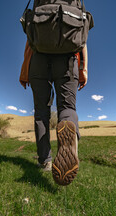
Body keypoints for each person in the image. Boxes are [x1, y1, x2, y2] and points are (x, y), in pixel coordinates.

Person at [19, 1, 89, 186]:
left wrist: (24, 70)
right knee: (67, 107)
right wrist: (84, 69)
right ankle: (69, 132)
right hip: (68, 60)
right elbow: (82, 40)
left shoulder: (39, 4)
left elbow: (30, 41)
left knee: (41, 111)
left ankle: (45, 160)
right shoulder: (75, 4)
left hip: (38, 59)